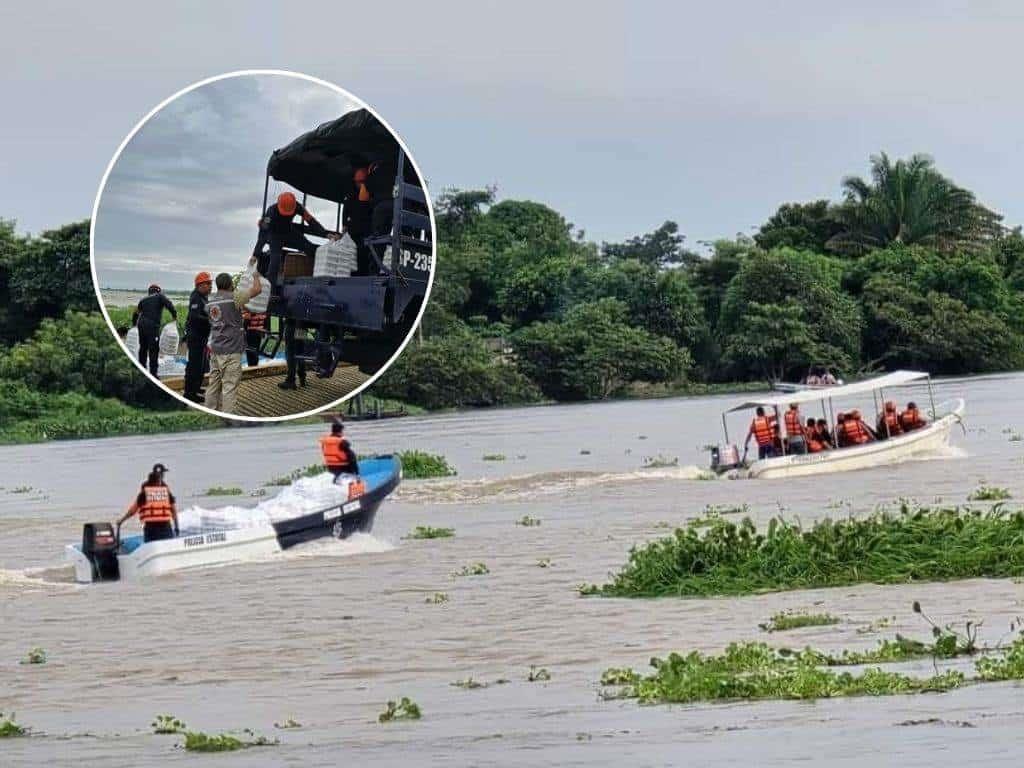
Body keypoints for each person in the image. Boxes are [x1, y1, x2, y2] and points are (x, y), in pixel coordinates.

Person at [205, 265, 262, 414]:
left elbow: (222, 318)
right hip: (231, 351)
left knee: (213, 385)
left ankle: (210, 413)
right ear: (230, 284)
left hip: (216, 349)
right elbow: (257, 290)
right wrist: (255, 275)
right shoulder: (234, 298)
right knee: (229, 387)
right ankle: (228, 417)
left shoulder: (209, 302)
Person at [253, 191, 338, 288]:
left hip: (289, 231)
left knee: (308, 247)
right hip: (274, 235)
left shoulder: (298, 207)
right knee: (275, 260)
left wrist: (325, 234)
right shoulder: (270, 212)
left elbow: (311, 221)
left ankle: (320, 274)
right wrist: (256, 254)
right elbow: (263, 234)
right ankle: (270, 289)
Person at [117, 463, 179, 543]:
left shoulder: (145, 491)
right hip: (164, 527)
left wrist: (122, 520)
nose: (163, 476)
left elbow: (133, 510)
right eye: (162, 474)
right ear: (160, 476)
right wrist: (177, 527)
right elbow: (173, 510)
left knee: (150, 545)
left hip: (151, 527)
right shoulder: (165, 491)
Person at [132, 284, 177, 377]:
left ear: (149, 291)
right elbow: (169, 304)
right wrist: (174, 315)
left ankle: (141, 370)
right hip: (152, 326)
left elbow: (135, 313)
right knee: (153, 350)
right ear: (158, 291)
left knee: (143, 348)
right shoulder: (160, 296)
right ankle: (153, 374)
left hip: (141, 325)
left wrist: (134, 324)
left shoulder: (143, 300)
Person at [342, 164, 378, 275]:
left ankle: (363, 274)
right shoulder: (350, 195)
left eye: (361, 182)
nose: (359, 184)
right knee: (352, 255)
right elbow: (345, 210)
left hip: (366, 232)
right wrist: (344, 225)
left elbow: (371, 210)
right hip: (353, 231)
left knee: (363, 256)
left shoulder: (370, 194)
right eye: (358, 182)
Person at [183, 272, 212, 403]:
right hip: (195, 337)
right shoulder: (196, 298)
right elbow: (195, 317)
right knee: (194, 365)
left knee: (201, 365)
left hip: (202, 337)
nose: (210, 287)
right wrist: (210, 319)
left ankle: (196, 387)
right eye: (208, 284)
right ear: (200, 285)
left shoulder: (204, 297)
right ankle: (189, 393)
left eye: (210, 284)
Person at [278, 318, 308, 390]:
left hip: (291, 326)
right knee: (300, 352)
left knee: (290, 353)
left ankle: (290, 380)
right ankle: (302, 378)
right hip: (302, 327)